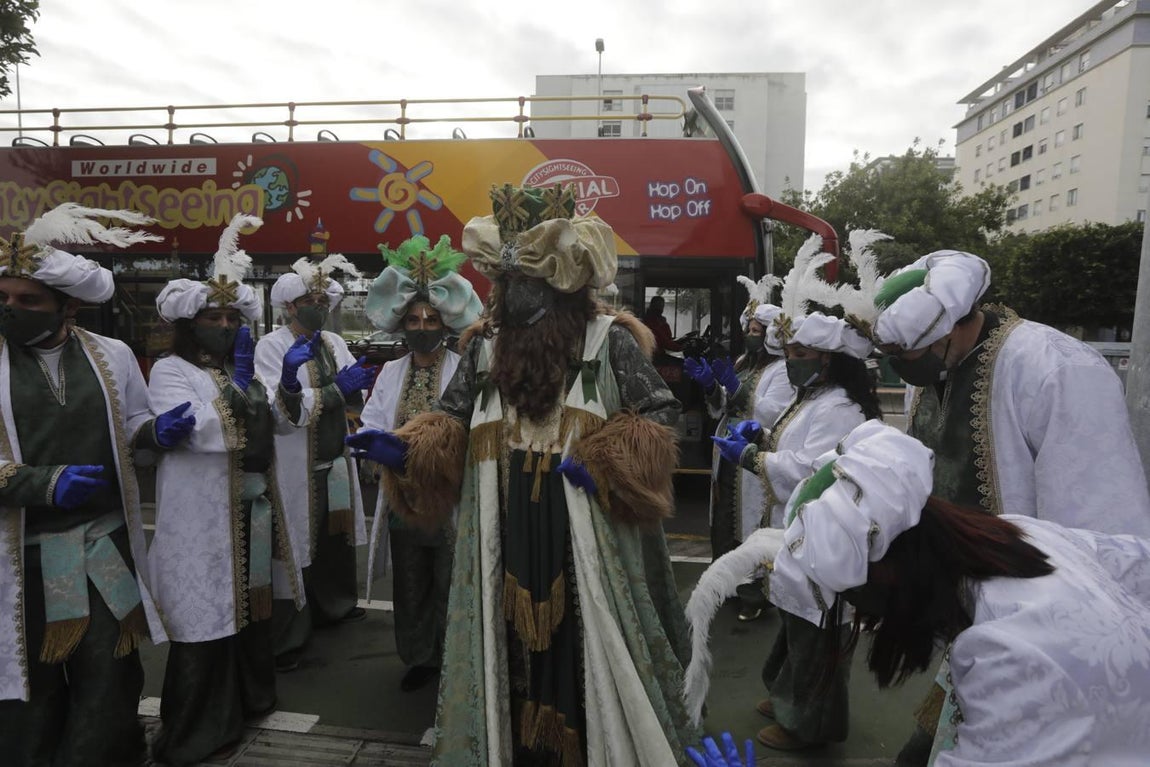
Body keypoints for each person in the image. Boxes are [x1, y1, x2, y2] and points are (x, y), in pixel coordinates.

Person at [349, 183, 698, 765]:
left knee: (591, 644)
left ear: (559, 284)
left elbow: (661, 412)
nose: (507, 295)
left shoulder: (608, 341)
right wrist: (407, 452)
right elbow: (452, 419)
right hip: (503, 530)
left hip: (587, 540)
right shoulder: (485, 348)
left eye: (523, 281)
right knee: (501, 642)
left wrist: (609, 464)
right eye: (504, 281)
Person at [687, 420, 1150, 765]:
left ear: (885, 576)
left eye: (852, 600)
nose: (865, 621)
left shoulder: (1007, 657)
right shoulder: (1021, 535)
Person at [870, 249, 1150, 763]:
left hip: (1052, 631)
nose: (898, 367)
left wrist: (1052, 634)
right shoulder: (932, 374)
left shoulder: (1056, 368)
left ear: (945, 328)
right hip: (978, 611)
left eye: (903, 353)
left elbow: (1100, 522)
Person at [0, 204, 188, 766]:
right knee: (28, 687)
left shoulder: (113, 354)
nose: (11, 309)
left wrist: (154, 431)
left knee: (110, 672)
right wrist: (41, 483)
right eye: (3, 298)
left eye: (28, 300)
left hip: (104, 547)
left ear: (69, 305)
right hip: (21, 558)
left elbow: (131, 424)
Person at [709, 234, 884, 752]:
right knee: (794, 622)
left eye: (800, 354)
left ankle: (810, 725)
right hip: (799, 532)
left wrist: (753, 457)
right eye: (788, 353)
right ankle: (786, 694)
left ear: (830, 361)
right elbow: (791, 442)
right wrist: (762, 437)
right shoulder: (814, 397)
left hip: (824, 536)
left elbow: (811, 469)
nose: (791, 363)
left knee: (816, 631)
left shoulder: (840, 407)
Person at [146, 215, 308, 765]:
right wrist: (238, 391)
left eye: (230, 317)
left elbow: (279, 425)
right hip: (202, 518)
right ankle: (197, 732)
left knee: (250, 610)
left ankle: (248, 702)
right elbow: (199, 434)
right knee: (206, 619)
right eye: (211, 317)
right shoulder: (170, 370)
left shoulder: (244, 370)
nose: (222, 324)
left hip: (251, 512)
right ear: (189, 325)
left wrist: (285, 386)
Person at [355, 234, 481, 693]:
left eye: (431, 319)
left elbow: (473, 428)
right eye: (414, 319)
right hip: (402, 497)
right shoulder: (391, 371)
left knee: (452, 581)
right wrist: (378, 447)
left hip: (450, 499)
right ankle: (419, 657)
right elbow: (372, 420)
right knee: (410, 585)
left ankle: (454, 657)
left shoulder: (463, 368)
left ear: (445, 323)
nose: (423, 326)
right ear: (402, 324)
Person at [254, 253, 374, 670]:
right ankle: (290, 634)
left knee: (333, 540)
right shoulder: (271, 346)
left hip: (334, 460)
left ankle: (334, 606)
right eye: (310, 300)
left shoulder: (334, 342)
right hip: (295, 465)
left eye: (323, 300)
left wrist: (354, 388)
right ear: (290, 306)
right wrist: (337, 390)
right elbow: (278, 406)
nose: (319, 307)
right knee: (294, 546)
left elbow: (351, 388)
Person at [683, 274, 790, 621]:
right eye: (749, 329)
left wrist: (737, 390)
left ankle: (753, 594)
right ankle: (727, 584)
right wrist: (711, 387)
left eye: (757, 331)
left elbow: (772, 413)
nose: (750, 334)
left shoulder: (782, 370)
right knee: (724, 521)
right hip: (727, 454)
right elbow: (722, 407)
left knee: (750, 522)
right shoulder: (743, 362)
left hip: (752, 455)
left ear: (771, 335)